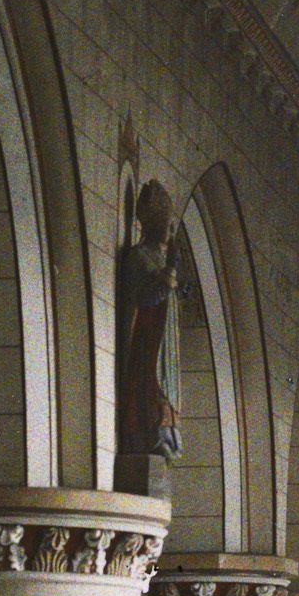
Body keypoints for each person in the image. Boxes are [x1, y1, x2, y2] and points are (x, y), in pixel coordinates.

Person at [118, 179, 182, 460]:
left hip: (165, 342)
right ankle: (150, 434)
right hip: (147, 340)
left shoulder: (156, 257)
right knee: (149, 385)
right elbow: (145, 296)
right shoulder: (140, 256)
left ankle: (167, 433)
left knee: (166, 385)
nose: (170, 231)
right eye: (168, 224)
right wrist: (168, 274)